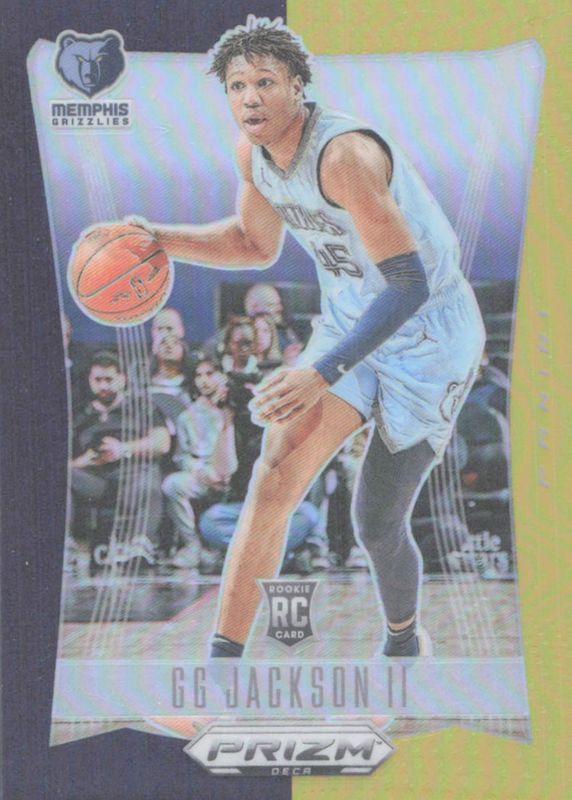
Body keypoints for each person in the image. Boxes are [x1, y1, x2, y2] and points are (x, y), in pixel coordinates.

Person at [104, 17, 485, 657]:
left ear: (298, 87)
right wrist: (160, 239)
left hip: (429, 338)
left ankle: (403, 641)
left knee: (376, 522)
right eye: (237, 86)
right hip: (352, 320)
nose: (249, 98)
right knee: (275, 473)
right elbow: (254, 244)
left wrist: (322, 370)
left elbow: (408, 284)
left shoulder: (344, 156)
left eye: (265, 82)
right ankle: (223, 662)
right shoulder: (252, 153)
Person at [71, 350, 170, 564]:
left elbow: (162, 443)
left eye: (109, 379)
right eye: (98, 380)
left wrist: (123, 449)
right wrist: (81, 462)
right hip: (94, 479)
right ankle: (65, 545)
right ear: (89, 380)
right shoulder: (80, 413)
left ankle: (140, 544)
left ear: (123, 379)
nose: (103, 386)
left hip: (133, 474)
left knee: (150, 472)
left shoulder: (142, 406)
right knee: (60, 477)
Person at [162, 358, 237, 569]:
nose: (204, 380)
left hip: (234, 475)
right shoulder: (188, 416)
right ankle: (192, 544)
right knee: (173, 484)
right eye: (199, 375)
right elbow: (182, 456)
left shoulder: (235, 410)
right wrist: (201, 471)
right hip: (203, 475)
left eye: (210, 374)